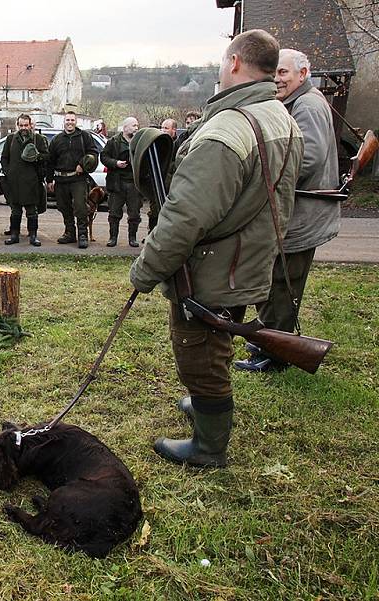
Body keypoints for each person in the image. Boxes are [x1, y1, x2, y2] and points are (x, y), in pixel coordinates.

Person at [128, 29, 303, 467]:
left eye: (223, 63)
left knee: (199, 354)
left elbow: (183, 219)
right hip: (246, 260)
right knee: (218, 343)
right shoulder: (279, 116)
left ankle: (208, 447)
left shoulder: (226, 131)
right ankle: (206, 407)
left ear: (235, 64)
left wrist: (143, 271)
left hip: (213, 270)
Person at [235, 48, 340, 373]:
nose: (277, 79)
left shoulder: (307, 105)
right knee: (276, 282)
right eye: (274, 73)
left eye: (284, 73)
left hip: (300, 217)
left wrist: (261, 173)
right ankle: (268, 347)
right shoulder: (297, 103)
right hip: (294, 214)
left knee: (282, 285)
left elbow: (307, 159)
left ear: (303, 74)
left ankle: (274, 357)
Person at [47, 111, 98, 249]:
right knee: (64, 207)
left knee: (80, 207)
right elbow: (50, 160)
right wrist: (50, 180)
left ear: (76, 122)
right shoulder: (57, 139)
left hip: (78, 179)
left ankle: (82, 234)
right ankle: (70, 233)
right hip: (61, 179)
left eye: (72, 120)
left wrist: (83, 164)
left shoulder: (84, 137)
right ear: (64, 122)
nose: (70, 122)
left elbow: (93, 153)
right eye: (67, 120)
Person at [1, 113, 50, 246]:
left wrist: (37, 156)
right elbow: (4, 158)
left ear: (30, 125)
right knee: (15, 210)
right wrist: (7, 171)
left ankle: (33, 236)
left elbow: (47, 157)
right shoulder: (10, 139)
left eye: (26, 125)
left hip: (31, 181)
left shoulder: (38, 139)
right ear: (17, 125)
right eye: (21, 125)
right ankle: (14, 235)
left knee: (31, 211)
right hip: (14, 181)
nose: (23, 128)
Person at [101, 117, 142, 247]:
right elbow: (104, 157)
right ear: (125, 127)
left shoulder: (140, 142)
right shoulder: (113, 142)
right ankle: (113, 238)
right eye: (134, 125)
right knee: (114, 212)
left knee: (134, 213)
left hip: (134, 183)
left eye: (137, 125)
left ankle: (132, 238)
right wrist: (116, 163)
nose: (136, 128)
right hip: (117, 182)